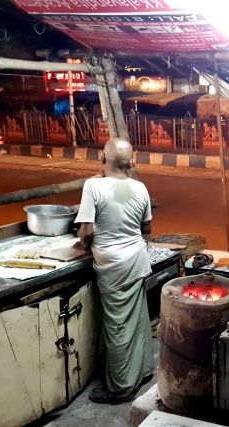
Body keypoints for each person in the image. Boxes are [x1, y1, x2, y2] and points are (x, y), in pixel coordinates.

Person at [75, 138, 154, 404]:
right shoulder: (140, 187)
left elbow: (86, 232)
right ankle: (142, 371)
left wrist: (83, 243)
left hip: (113, 265)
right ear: (131, 161)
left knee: (117, 325)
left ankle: (120, 388)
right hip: (136, 260)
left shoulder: (93, 186)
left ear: (102, 159)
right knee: (137, 318)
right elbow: (146, 230)